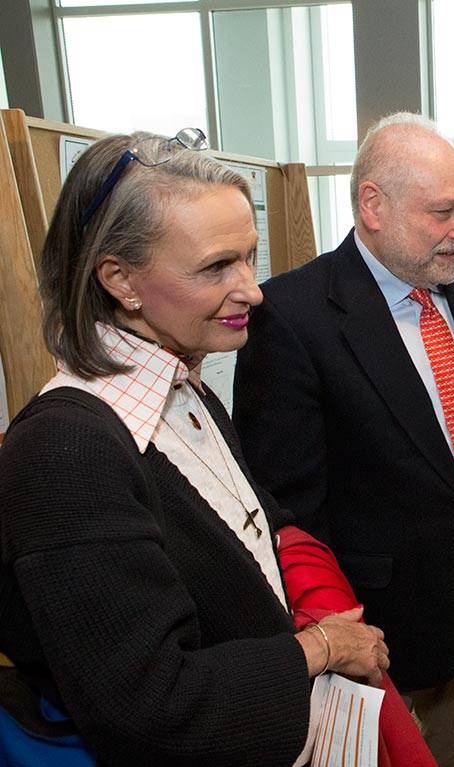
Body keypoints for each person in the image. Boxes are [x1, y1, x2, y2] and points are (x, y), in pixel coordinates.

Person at [0, 131, 390, 766]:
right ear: (120, 279)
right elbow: (151, 707)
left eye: (249, 258)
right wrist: (320, 647)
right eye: (216, 267)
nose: (252, 289)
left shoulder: (186, 390)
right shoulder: (68, 450)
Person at [233, 112, 454, 767]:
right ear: (372, 205)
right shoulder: (293, 315)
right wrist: (327, 626)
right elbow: (287, 505)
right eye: (443, 212)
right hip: (362, 616)